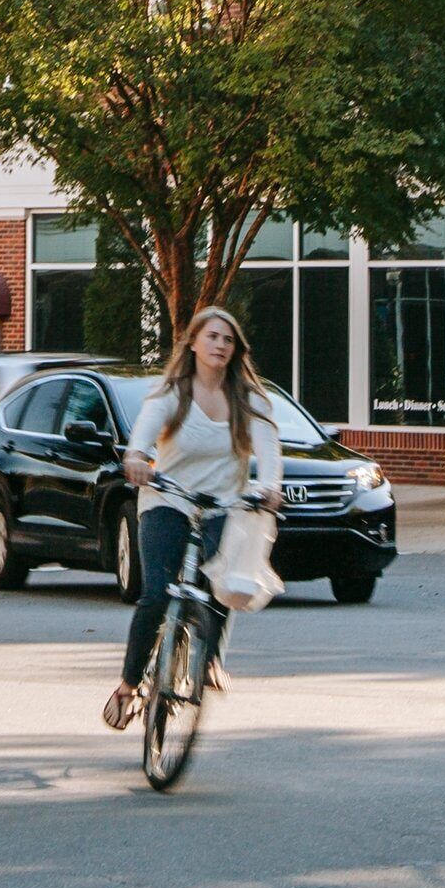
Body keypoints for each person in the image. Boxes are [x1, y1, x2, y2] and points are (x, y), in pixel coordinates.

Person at [105, 307, 284, 732]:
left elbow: (269, 450)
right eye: (213, 337)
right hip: (169, 500)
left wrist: (270, 486)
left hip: (224, 503)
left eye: (228, 339)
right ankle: (130, 684)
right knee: (157, 594)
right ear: (194, 343)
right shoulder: (173, 393)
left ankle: (210, 659)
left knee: (227, 582)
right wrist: (136, 458)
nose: (220, 345)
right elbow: (143, 435)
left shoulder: (248, 399)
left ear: (235, 350)